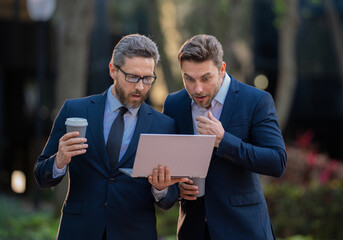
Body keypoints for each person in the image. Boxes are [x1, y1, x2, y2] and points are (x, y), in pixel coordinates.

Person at [34, 34, 185, 240]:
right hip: (79, 231)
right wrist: (59, 161)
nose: (140, 87)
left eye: (147, 78)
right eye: (132, 77)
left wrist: (161, 188)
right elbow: (41, 177)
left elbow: (169, 200)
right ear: (113, 70)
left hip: (135, 233)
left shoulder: (164, 125)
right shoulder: (75, 110)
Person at [163, 34, 287, 240]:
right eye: (189, 79)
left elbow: (277, 162)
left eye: (205, 78)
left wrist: (223, 140)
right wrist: (176, 186)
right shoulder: (173, 104)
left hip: (244, 229)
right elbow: (168, 160)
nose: (197, 89)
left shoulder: (256, 101)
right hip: (193, 231)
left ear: (222, 69)